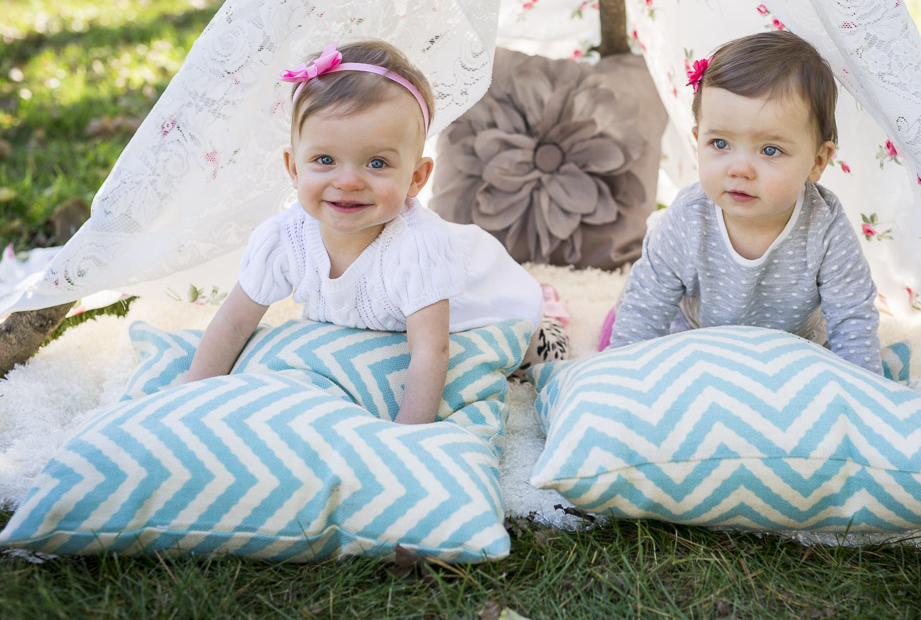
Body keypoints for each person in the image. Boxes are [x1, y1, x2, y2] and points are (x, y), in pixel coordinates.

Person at [186, 40, 544, 422]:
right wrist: (189, 394)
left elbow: (431, 352)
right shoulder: (284, 238)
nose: (348, 181)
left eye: (377, 163)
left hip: (481, 304)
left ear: (416, 177)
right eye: (324, 160)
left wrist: (404, 434)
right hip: (383, 319)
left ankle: (549, 321)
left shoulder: (416, 249)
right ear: (293, 167)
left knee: (525, 356)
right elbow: (233, 321)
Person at [605, 30, 882, 374]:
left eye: (770, 150)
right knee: (630, 328)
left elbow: (853, 315)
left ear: (817, 162)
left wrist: (866, 390)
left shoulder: (824, 226)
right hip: (695, 338)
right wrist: (620, 373)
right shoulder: (688, 218)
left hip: (793, 347)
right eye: (720, 144)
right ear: (697, 141)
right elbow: (647, 304)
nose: (740, 169)